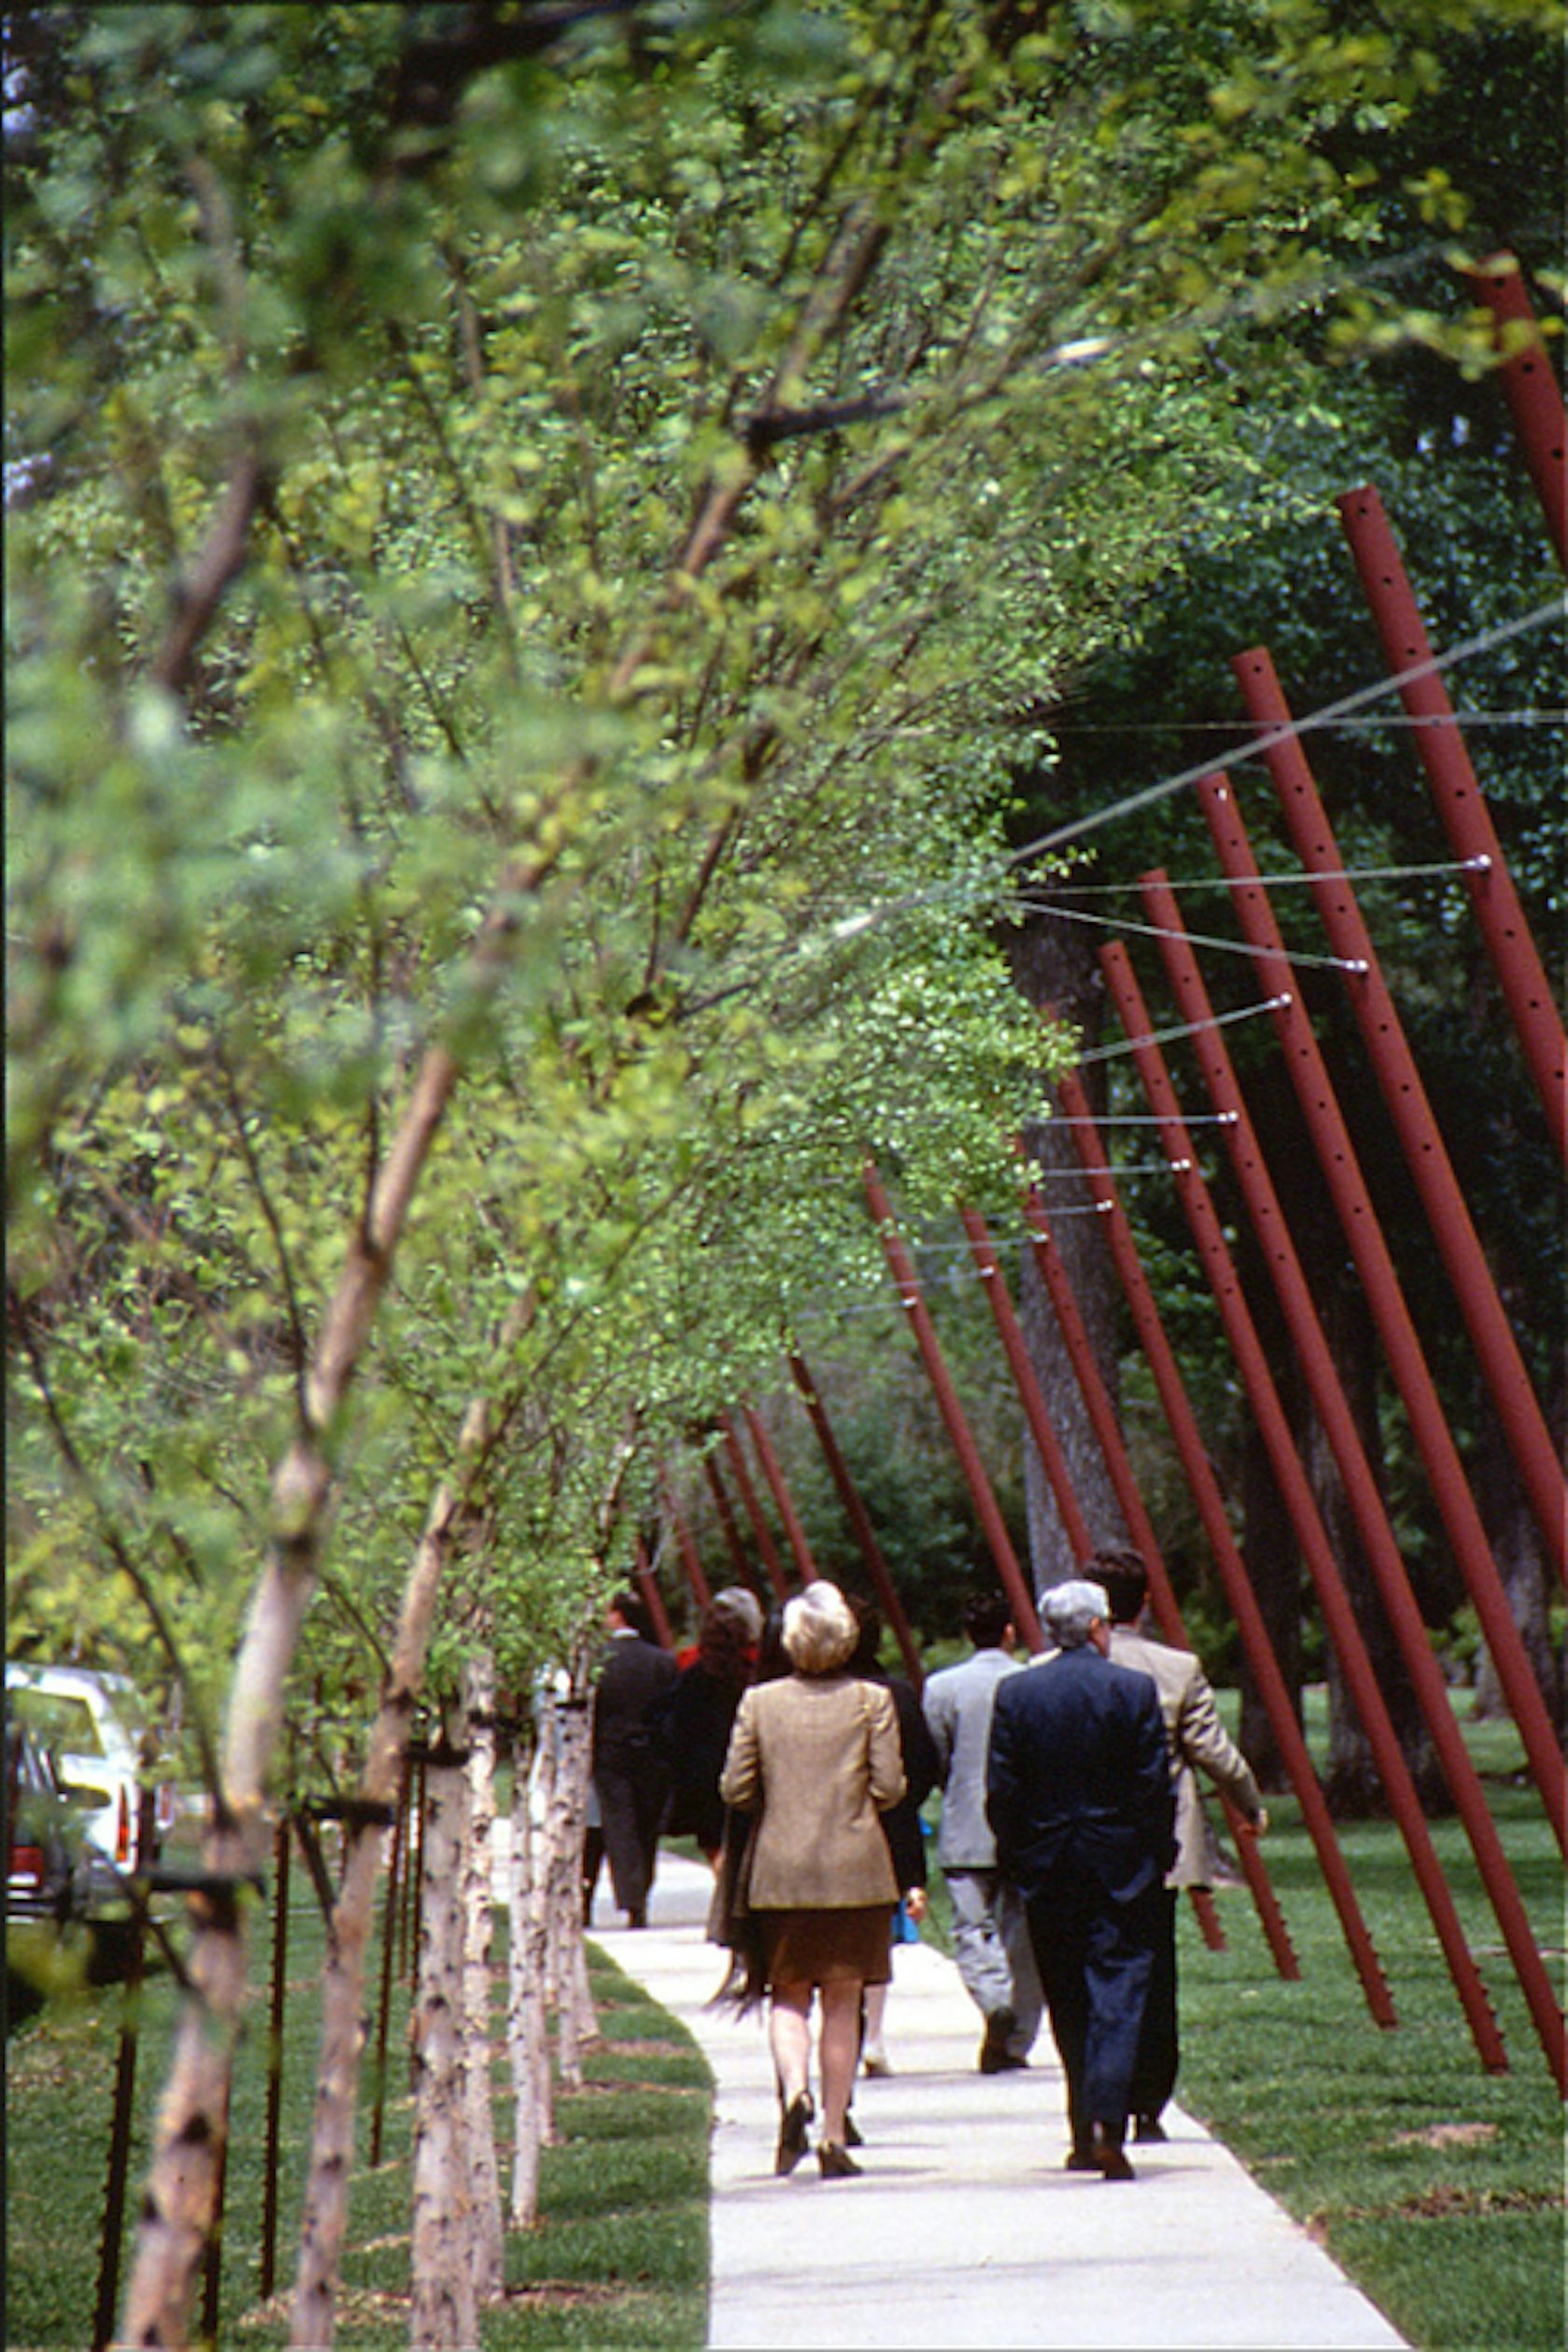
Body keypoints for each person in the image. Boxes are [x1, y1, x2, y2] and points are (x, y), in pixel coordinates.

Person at [986, 1576, 1175, 2180]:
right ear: (1099, 1628)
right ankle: (1111, 2122)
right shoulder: (1133, 1689)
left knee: (1067, 1995)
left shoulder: (1017, 1694)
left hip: (1049, 1865)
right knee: (1120, 1992)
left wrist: (1018, 1854)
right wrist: (1155, 1850)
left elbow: (1003, 1791)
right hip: (1120, 1863)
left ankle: (1080, 2127)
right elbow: (1152, 1785)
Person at [718, 1579, 904, 2179]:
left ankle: (794, 2090)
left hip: (780, 1873)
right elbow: (891, 1787)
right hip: (856, 1872)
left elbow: (734, 1789)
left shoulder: (760, 1703)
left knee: (787, 1994)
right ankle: (830, 2134)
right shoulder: (872, 1702)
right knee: (844, 2002)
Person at [1092, 1544, 1267, 2142]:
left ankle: (1099, 2089)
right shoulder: (1177, 1668)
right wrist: (1249, 1803)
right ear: (1143, 1602)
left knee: (1092, 1963)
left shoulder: (1055, 1672)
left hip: (1086, 1842)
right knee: (1155, 1966)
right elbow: (1215, 1753)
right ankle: (1147, 2098)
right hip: (1157, 1841)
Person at [921, 1588, 1043, 2073]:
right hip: (1024, 1828)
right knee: (1024, 1936)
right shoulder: (1031, 1682)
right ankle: (1016, 2039)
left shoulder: (942, 1688)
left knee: (971, 1929)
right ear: (1010, 1631)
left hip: (966, 1822)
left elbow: (938, 1755)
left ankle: (993, 2000)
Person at [847, 1597, 940, 2077]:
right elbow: (924, 1763)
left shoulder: (818, 1694)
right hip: (889, 1825)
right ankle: (874, 2033)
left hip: (834, 1829)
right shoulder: (898, 1693)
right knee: (879, 1934)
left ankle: (847, 2029)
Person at [585, 1588, 679, 1928]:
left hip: (610, 1753)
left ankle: (629, 1895)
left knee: (619, 1823)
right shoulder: (662, 1662)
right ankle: (640, 1896)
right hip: (652, 1754)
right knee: (645, 1828)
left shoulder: (598, 1663)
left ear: (617, 1615)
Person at [655, 1587, 763, 1867]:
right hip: (755, 1768)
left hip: (705, 1775)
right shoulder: (762, 1672)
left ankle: (727, 1898)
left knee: (716, 1847)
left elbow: (673, 1728)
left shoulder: (691, 1674)